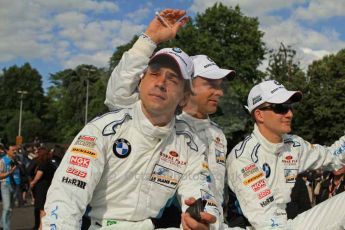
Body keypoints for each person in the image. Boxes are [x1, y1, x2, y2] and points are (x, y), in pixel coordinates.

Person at [42, 9, 219, 230]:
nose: (161, 82)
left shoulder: (190, 143)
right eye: (154, 74)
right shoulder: (103, 129)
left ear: (184, 97)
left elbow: (200, 188)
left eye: (172, 78)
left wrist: (201, 215)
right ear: (140, 82)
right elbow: (67, 196)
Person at [105, 8, 237, 229]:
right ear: (187, 86)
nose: (219, 91)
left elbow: (215, 191)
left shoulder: (218, 135)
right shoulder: (162, 122)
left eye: (220, 85)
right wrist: (149, 40)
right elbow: (117, 96)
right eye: (211, 84)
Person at [226, 80, 345, 229]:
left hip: (286, 224)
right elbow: (266, 221)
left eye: (289, 107)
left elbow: (332, 156)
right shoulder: (244, 157)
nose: (289, 114)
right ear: (259, 115)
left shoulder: (294, 145)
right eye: (281, 108)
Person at [30, 146, 59, 230]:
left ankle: (41, 227)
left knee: (42, 208)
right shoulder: (51, 163)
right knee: (46, 207)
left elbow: (39, 175)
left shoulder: (43, 163)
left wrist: (33, 182)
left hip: (41, 187)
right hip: (49, 186)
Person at [0, 145, 21, 230]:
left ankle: (2, 225)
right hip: (6, 185)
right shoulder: (2, 161)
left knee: (10, 208)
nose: (15, 153)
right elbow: (0, 175)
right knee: (7, 208)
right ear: (7, 151)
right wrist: (10, 172)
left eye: (16, 151)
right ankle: (6, 228)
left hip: (16, 185)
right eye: (13, 151)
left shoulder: (17, 160)